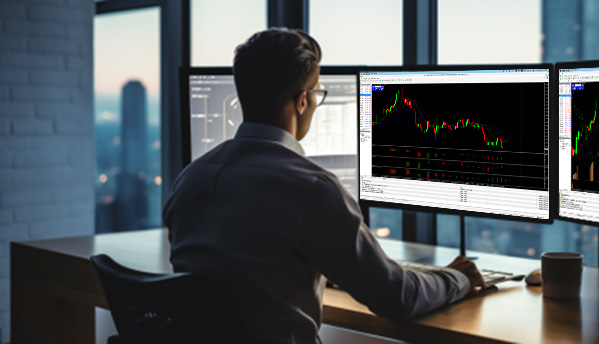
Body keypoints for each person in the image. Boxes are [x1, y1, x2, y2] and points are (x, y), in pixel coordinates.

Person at [163, 27, 484, 343]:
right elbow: (397, 297)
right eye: (317, 94)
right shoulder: (311, 189)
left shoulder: (189, 179)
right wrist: (457, 278)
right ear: (303, 101)